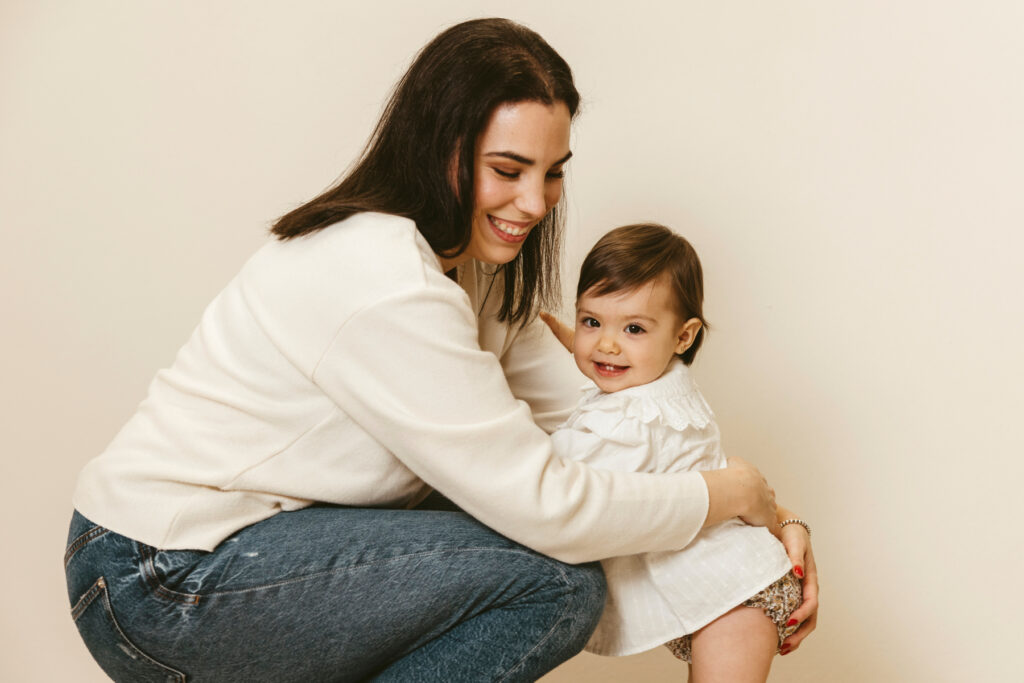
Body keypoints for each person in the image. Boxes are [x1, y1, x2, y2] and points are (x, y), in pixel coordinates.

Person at [64, 17, 817, 682]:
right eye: (508, 170)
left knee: (551, 559)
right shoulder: (382, 277)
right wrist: (727, 495)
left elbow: (604, 427)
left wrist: (771, 523)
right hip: (159, 576)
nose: (535, 203)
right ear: (440, 147)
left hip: (238, 558)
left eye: (552, 173)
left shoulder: (471, 274)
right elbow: (551, 507)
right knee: (554, 581)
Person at [542, 223, 808, 682]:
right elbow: (617, 371)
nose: (606, 344)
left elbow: (563, 478)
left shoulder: (633, 420)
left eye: (633, 328)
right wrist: (592, 344)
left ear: (683, 337)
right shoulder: (665, 380)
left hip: (739, 594)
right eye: (591, 322)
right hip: (724, 584)